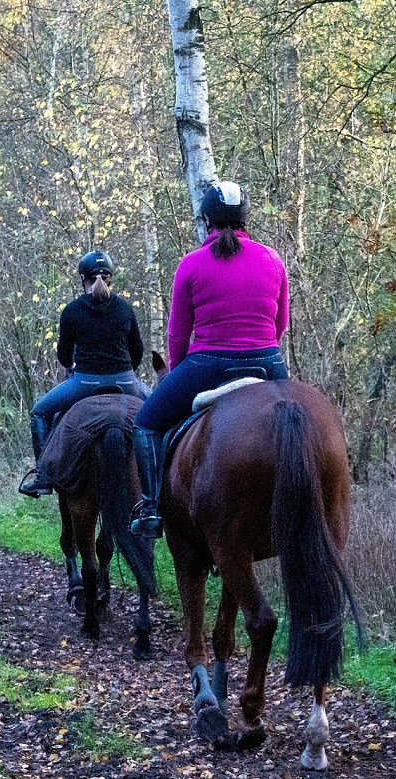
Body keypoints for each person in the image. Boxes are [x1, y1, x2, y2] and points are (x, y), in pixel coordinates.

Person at [129, 180, 290, 537]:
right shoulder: (273, 259)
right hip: (267, 359)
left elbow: (176, 333)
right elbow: (281, 324)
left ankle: (152, 508)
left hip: (207, 363)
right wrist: (260, 348)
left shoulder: (191, 264)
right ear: (246, 220)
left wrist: (176, 371)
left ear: (207, 221)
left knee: (145, 423)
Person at [19, 250, 146, 497]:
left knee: (39, 412)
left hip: (84, 384)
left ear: (82, 279)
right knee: (162, 416)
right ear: (110, 278)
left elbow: (65, 357)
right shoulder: (124, 308)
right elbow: (138, 354)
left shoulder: (72, 311)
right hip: (127, 383)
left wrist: (77, 366)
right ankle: (160, 484)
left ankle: (44, 477)